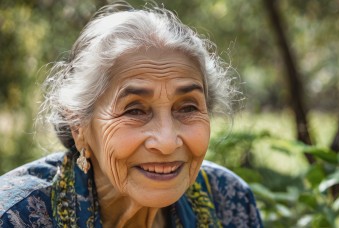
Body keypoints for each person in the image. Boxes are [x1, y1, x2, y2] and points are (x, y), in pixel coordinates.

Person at [0, 1, 263, 227]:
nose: (167, 141)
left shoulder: (229, 201)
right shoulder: (17, 217)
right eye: (135, 110)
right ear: (78, 125)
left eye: (188, 108)